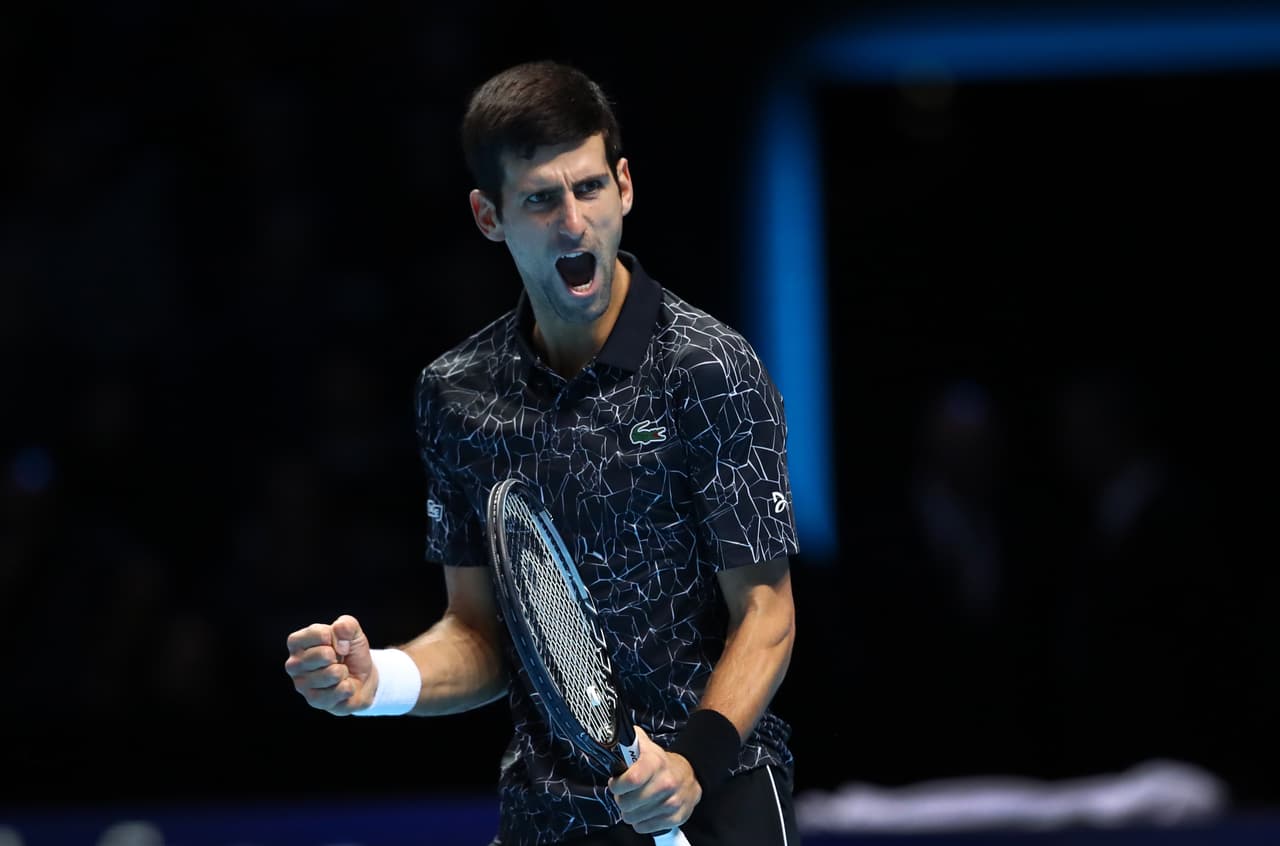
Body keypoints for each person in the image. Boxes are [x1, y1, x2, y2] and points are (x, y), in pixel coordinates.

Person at [284, 59, 800, 846]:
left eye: (589, 188)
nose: (572, 222)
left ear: (624, 187)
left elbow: (766, 612)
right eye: (540, 199)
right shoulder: (456, 395)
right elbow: (481, 634)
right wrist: (380, 680)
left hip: (718, 794)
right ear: (489, 216)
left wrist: (690, 765)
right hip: (548, 816)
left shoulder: (709, 369)